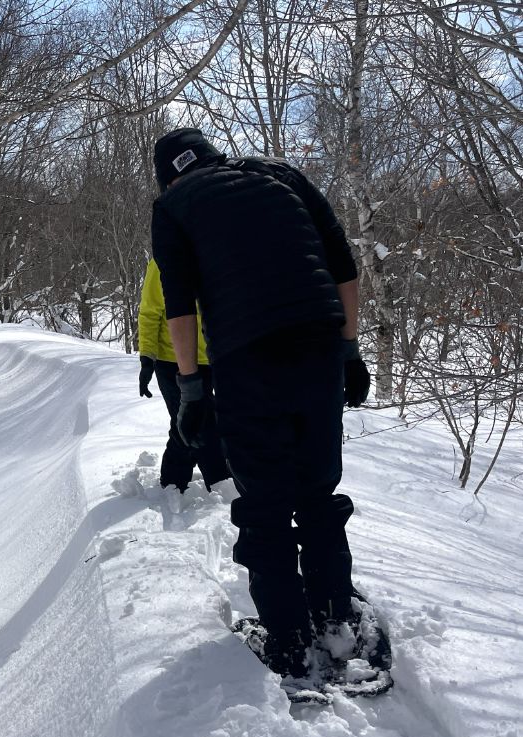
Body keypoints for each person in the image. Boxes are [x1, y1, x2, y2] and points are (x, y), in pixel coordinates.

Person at [148, 128, 372, 680]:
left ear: (168, 176)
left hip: (248, 361)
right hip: (318, 344)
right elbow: (343, 267)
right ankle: (335, 619)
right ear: (214, 156)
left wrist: (192, 387)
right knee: (317, 488)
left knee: (266, 502)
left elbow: (180, 307)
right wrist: (349, 351)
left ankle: (290, 642)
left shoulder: (173, 206)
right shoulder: (283, 175)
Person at [136, 258, 229, 492]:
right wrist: (147, 357)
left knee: (190, 423)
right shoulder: (163, 261)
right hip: (172, 360)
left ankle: (172, 485)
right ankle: (221, 485)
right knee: (200, 424)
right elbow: (150, 311)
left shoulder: (217, 251)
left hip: (215, 358)